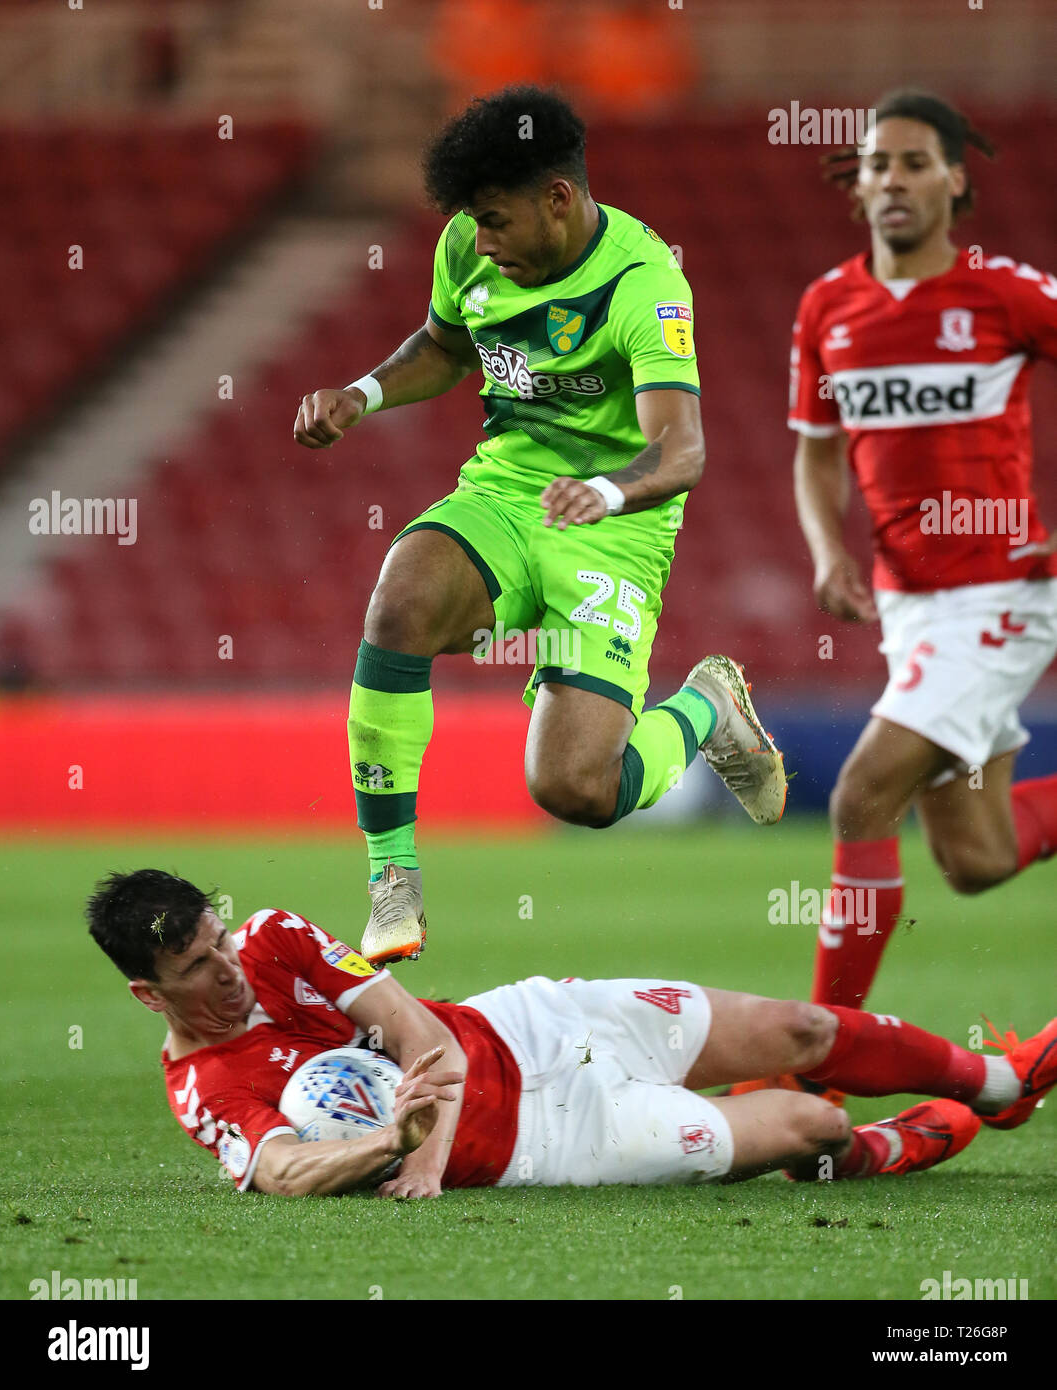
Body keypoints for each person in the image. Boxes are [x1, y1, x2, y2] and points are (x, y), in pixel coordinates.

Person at [293, 85, 786, 966]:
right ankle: (392, 882)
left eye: (494, 221)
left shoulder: (644, 284)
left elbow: (682, 452)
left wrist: (603, 491)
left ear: (557, 199)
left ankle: (705, 708)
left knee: (576, 791)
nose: (479, 242)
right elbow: (446, 347)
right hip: (508, 493)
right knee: (398, 604)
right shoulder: (468, 246)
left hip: (613, 526)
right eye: (471, 225)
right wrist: (361, 395)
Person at [87, 869, 1055, 1198]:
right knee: (815, 1133)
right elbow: (283, 1169)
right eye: (195, 970)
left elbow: (418, 1028)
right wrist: (391, 1142)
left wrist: (420, 1158)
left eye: (216, 943)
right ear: (147, 994)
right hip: (558, 1144)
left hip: (536, 1021)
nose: (224, 972)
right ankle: (868, 1148)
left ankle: (998, 1085)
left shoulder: (273, 941)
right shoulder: (203, 1089)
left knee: (801, 1026)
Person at [784, 89, 1057, 1038]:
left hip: (1003, 593)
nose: (890, 179)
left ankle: (819, 1047)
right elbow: (816, 451)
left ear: (953, 178)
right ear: (855, 185)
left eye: (910, 162)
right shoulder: (827, 307)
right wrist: (828, 551)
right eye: (873, 165)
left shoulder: (1004, 290)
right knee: (974, 858)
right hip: (908, 607)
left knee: (863, 791)